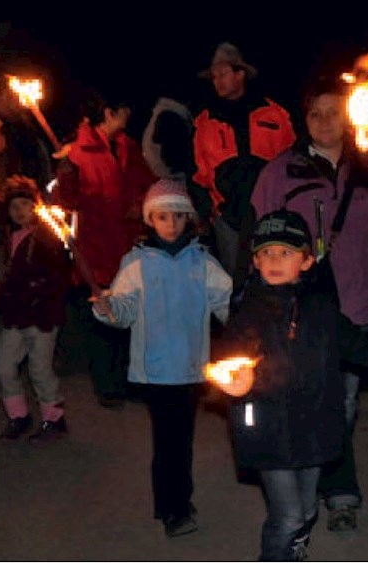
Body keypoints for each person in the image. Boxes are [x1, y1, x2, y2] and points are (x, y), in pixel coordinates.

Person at [211, 209, 368, 561]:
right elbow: (229, 356)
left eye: (286, 252)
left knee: (308, 510)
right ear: (255, 260)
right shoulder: (248, 309)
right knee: (287, 516)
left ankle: (296, 549)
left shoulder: (322, 309)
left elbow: (360, 347)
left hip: (314, 424)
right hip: (269, 429)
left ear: (306, 261)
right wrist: (234, 382)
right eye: (267, 252)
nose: (275, 260)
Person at [249, 75, 368, 533]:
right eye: (315, 113)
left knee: (342, 403)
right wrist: (260, 308)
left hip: (358, 307)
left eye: (333, 111)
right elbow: (259, 245)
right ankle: (306, 497)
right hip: (300, 311)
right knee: (304, 402)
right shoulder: (280, 172)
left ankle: (337, 490)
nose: (324, 121)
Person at [91, 178, 233, 537]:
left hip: (189, 368)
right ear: (149, 220)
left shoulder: (201, 262)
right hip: (155, 371)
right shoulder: (137, 264)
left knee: (181, 441)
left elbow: (226, 302)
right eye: (162, 216)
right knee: (168, 443)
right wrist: (108, 308)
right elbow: (123, 310)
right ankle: (174, 509)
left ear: (188, 219)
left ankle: (173, 501)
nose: (171, 224)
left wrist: (252, 321)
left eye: (177, 216)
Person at [54, 88, 155, 407]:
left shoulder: (129, 147)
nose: (129, 116)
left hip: (129, 246)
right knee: (101, 316)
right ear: (109, 113)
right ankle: (107, 385)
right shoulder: (78, 152)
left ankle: (132, 379)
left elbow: (147, 183)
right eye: (123, 110)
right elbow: (63, 202)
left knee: (132, 316)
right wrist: (66, 175)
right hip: (96, 248)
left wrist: (142, 205)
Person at [0, 175, 72, 442]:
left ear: (36, 206)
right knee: (4, 365)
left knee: (40, 369)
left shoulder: (46, 236)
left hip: (42, 316)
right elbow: (11, 279)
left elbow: (58, 275)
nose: (19, 211)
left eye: (24, 205)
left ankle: (54, 418)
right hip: (16, 316)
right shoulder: (13, 237)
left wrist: (44, 296)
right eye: (14, 207)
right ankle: (18, 416)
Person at [192, 42, 296, 280]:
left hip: (271, 214)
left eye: (223, 74)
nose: (217, 81)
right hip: (228, 221)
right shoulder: (205, 122)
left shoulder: (275, 114)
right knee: (235, 284)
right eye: (214, 77)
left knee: (274, 280)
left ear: (240, 74)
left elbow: (292, 162)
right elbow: (200, 174)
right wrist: (209, 211)